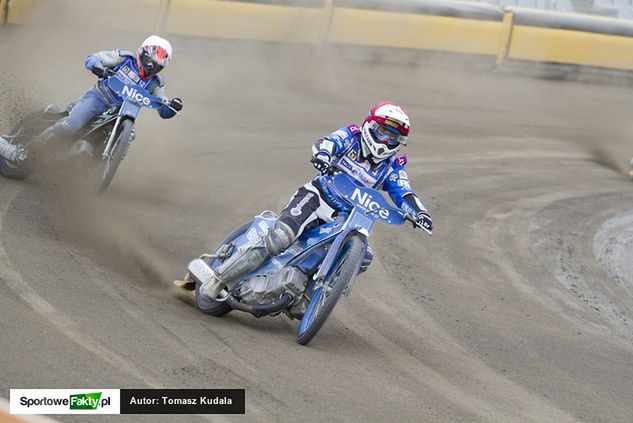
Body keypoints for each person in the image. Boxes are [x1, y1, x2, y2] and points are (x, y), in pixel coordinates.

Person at [200, 101, 432, 298]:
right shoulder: (351, 136)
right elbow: (328, 143)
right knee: (280, 238)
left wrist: (420, 213)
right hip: (316, 197)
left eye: (393, 138)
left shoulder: (392, 167)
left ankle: (313, 297)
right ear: (369, 126)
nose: (385, 141)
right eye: (382, 132)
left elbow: (404, 192)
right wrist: (323, 156)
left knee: (363, 256)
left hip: (347, 219)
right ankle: (218, 280)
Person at [31, 35, 183, 148]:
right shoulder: (125, 58)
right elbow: (94, 58)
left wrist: (172, 107)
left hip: (122, 113)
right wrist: (97, 66)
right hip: (99, 98)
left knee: (129, 136)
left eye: (157, 66)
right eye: (150, 61)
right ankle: (29, 150)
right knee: (73, 124)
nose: (151, 67)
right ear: (142, 53)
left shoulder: (156, 82)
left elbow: (162, 107)